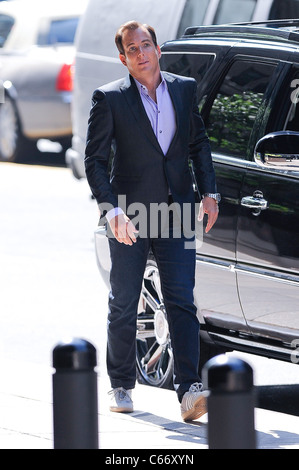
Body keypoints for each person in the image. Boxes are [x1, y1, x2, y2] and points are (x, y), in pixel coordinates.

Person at [84, 20, 220, 421]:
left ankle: (190, 390)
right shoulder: (109, 99)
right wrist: (110, 209)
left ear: (158, 50)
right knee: (124, 301)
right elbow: (94, 161)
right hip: (130, 215)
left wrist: (209, 193)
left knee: (181, 300)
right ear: (123, 58)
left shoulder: (183, 88)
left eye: (147, 45)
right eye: (132, 48)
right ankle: (123, 383)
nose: (141, 53)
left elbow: (197, 143)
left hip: (177, 209)